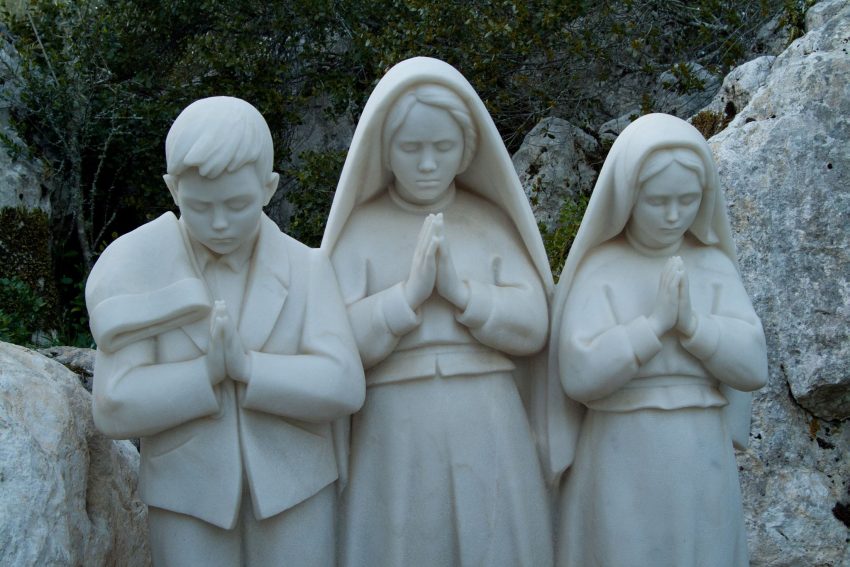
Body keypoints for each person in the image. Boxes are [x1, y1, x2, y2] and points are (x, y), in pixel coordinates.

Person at [86, 96, 365, 567]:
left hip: (297, 490)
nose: (219, 223)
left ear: (269, 187)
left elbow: (344, 383)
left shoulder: (308, 267)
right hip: (187, 497)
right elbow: (113, 406)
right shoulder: (137, 270)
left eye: (237, 204)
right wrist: (205, 373)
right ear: (173, 190)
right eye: (200, 206)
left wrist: (249, 368)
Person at [321, 57, 556, 566]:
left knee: (494, 539)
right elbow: (332, 343)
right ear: (386, 150)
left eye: (443, 147)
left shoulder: (490, 222)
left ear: (466, 150)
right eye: (411, 148)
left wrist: (462, 293)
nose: (427, 163)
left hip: (488, 413)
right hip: (393, 423)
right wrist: (406, 298)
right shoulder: (360, 231)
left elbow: (535, 324)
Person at [550, 113, 768, 566]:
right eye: (657, 201)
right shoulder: (601, 269)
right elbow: (578, 374)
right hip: (620, 448)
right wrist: (652, 326)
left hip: (700, 448)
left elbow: (752, 367)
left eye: (687, 200)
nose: (673, 215)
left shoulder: (713, 267)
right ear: (629, 195)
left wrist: (693, 326)